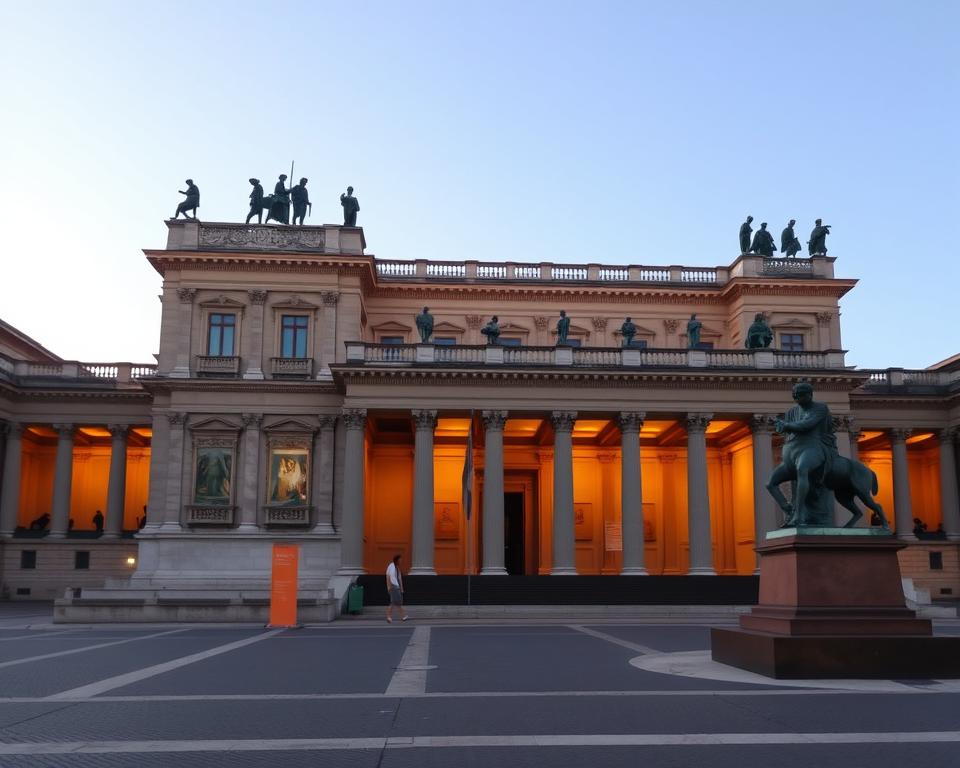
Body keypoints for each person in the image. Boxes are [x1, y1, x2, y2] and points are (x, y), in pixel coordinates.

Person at [385, 553, 408, 623]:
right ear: (397, 560)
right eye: (400, 560)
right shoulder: (391, 566)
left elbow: (399, 578)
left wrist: (401, 588)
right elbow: (388, 576)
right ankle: (389, 617)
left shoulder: (397, 568)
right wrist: (388, 586)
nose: (401, 561)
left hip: (396, 586)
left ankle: (403, 616)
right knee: (394, 602)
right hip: (393, 586)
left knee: (398, 602)